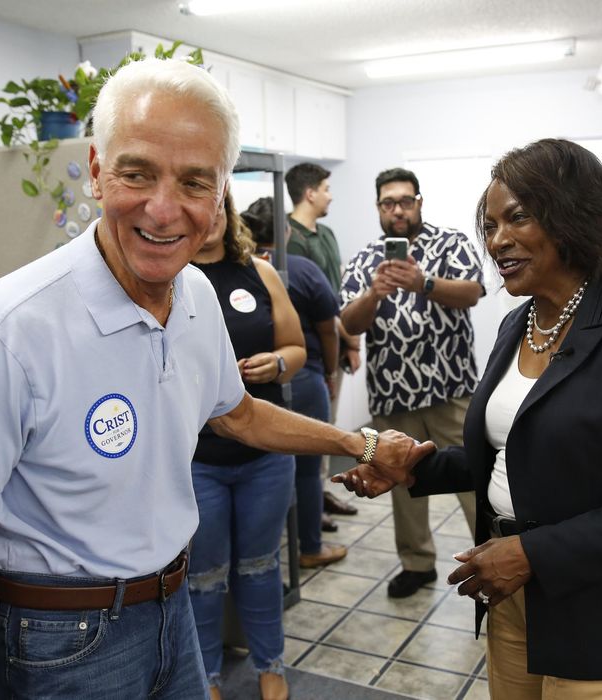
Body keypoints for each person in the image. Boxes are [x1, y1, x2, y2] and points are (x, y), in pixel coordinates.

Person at [0, 57, 431, 700]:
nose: (163, 209)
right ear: (98, 174)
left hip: (171, 613)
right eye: (137, 173)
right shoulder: (10, 326)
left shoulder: (195, 295)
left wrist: (361, 444)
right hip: (55, 642)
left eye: (193, 182)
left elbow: (237, 413)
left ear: (219, 197)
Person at [336, 138, 602, 699]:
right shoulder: (518, 324)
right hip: (513, 600)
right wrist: (416, 469)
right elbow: (510, 455)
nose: (497, 241)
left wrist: (533, 554)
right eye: (489, 225)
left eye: (517, 218)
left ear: (573, 215)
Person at [339, 167, 484, 599]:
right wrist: (374, 294)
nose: (397, 209)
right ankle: (417, 563)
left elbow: (473, 292)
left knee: (474, 477)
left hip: (450, 389)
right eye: (388, 203)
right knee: (401, 480)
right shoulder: (366, 258)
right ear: (379, 208)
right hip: (392, 393)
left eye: (405, 200)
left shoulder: (451, 242)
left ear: (419, 202)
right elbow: (349, 322)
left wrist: (423, 283)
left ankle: (493, 556)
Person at [187, 191, 306, 700]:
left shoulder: (260, 273)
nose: (209, 218)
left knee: (261, 566)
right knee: (203, 576)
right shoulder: (167, 279)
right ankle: (206, 677)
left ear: (228, 213)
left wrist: (276, 364)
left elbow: (297, 348)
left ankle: (270, 665)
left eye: (218, 206)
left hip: (264, 456)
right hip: (195, 461)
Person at [242, 196, 348, 570]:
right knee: (307, 467)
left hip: (251, 382)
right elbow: (329, 329)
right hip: (302, 376)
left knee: (265, 467)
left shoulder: (241, 272)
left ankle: (272, 547)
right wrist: (330, 372)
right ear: (285, 230)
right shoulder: (300, 269)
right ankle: (310, 546)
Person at [283, 162, 360, 526]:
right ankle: (306, 507)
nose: (331, 194)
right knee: (310, 432)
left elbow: (337, 286)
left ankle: (321, 493)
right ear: (310, 193)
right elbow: (316, 307)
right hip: (316, 344)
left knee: (326, 424)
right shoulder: (288, 238)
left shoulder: (325, 234)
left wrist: (350, 341)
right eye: (326, 188)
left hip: (339, 338)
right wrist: (349, 338)